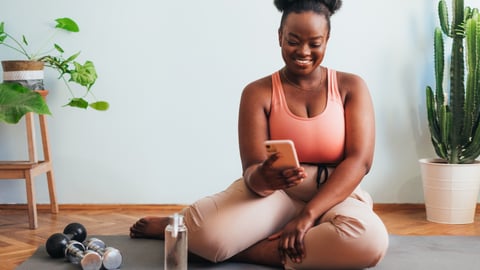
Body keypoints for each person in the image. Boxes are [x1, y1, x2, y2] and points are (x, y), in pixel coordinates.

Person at [130, 0, 389, 269]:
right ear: (279, 37)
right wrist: (263, 177)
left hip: (336, 193)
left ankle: (247, 249)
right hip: (276, 195)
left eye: (315, 43)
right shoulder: (257, 92)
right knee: (205, 234)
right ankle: (176, 226)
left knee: (368, 241)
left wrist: (308, 215)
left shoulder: (351, 86)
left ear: (327, 40)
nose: (303, 51)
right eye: (293, 40)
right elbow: (251, 171)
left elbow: (360, 161)